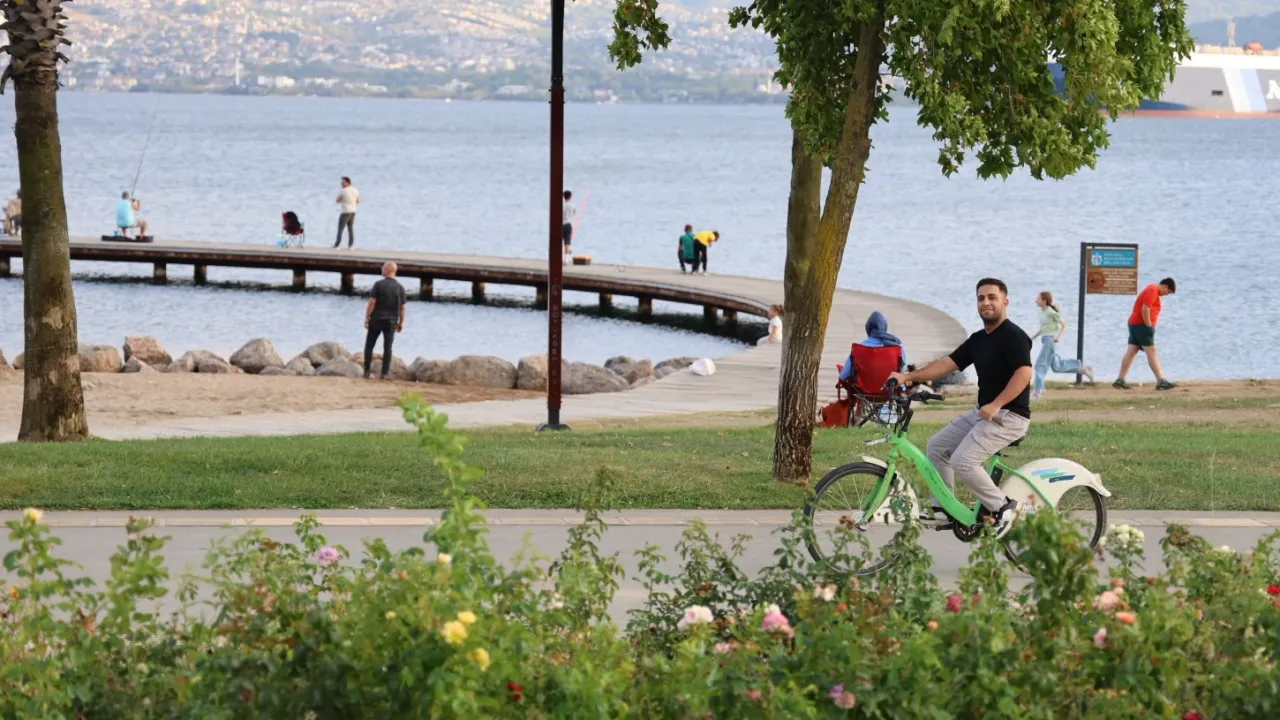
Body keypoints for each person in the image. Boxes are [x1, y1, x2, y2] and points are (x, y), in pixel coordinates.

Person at [889, 278, 1033, 537]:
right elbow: (947, 363)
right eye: (981, 298)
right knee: (937, 446)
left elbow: (1024, 374)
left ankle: (1003, 509)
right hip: (984, 413)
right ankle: (945, 508)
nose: (985, 302)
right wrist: (908, 377)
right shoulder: (978, 340)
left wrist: (997, 404)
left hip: (1009, 416)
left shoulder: (1014, 336)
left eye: (992, 297)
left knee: (963, 460)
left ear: (1005, 302)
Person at [1114, 277, 1176, 391]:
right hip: (1141, 325)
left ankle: (1120, 380)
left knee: (1131, 352)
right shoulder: (1152, 290)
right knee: (1152, 351)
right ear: (1165, 286)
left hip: (1134, 324)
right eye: (1168, 292)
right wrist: (1148, 326)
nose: (1166, 295)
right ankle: (1161, 381)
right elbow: (1145, 309)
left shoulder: (1151, 290)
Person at [1029, 291, 1094, 399]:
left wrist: (1059, 337)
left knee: (1040, 365)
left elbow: (1064, 324)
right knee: (1057, 366)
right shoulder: (1042, 312)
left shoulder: (1050, 312)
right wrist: (1031, 338)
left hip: (1050, 341)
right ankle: (1083, 369)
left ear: (1044, 301)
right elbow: (1043, 328)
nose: (1036, 300)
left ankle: (1037, 392)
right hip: (1045, 340)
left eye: (1038, 299)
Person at [363, 261, 406, 380]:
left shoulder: (378, 284)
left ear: (388, 270)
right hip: (391, 321)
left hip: (376, 318)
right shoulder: (400, 287)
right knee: (388, 347)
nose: (381, 270)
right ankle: (384, 373)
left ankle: (366, 371)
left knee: (369, 345)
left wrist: (367, 317)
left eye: (383, 268)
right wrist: (401, 322)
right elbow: (403, 307)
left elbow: (372, 302)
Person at [839, 311, 906, 384]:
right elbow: (902, 373)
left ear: (868, 327)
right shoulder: (897, 348)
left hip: (862, 390)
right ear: (884, 327)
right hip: (889, 389)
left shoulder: (858, 349)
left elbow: (843, 376)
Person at [334, 177, 360, 249]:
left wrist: (344, 199)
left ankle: (337, 244)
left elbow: (337, 200)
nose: (341, 184)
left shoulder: (343, 191)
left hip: (345, 211)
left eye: (343, 182)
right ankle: (350, 245)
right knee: (350, 228)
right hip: (353, 211)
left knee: (340, 228)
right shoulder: (355, 190)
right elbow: (358, 201)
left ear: (347, 182)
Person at [562, 190, 577, 263]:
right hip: (569, 224)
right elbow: (574, 214)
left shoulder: (562, 205)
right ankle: (566, 259)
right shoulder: (573, 206)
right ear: (570, 197)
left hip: (561, 224)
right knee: (567, 242)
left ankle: (558, 258)